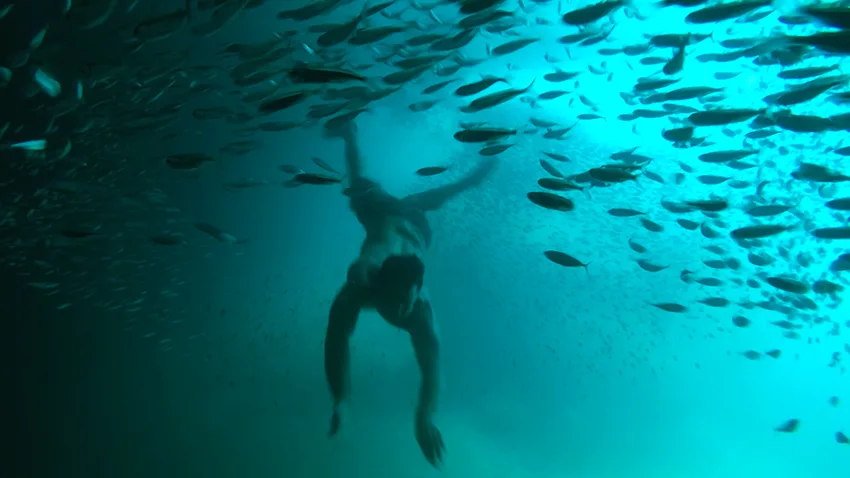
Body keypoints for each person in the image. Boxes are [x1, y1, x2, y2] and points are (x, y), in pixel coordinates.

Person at [322, 120, 497, 468]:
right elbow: (336, 337)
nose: (402, 311)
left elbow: (432, 371)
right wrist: (340, 398)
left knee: (451, 190)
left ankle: (484, 167)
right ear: (378, 288)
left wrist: (423, 418)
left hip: (415, 221)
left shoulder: (420, 311)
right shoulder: (362, 281)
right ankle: (350, 131)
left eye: (408, 302)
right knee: (358, 187)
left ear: (418, 292)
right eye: (395, 302)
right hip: (384, 215)